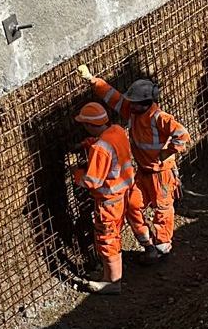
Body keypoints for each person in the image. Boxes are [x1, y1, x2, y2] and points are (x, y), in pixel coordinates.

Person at [78, 65, 190, 261]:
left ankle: (163, 246)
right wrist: (92, 80)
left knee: (162, 208)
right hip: (143, 173)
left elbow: (182, 135)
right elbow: (113, 97)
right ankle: (148, 244)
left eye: (134, 102)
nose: (129, 104)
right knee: (132, 205)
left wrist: (166, 152)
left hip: (161, 174)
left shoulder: (159, 118)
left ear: (146, 103)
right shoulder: (133, 111)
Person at [72, 102, 137, 294]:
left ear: (89, 125)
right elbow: (111, 149)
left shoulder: (100, 149)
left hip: (108, 201)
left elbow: (92, 181)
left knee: (106, 238)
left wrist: (76, 173)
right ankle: (110, 273)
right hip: (121, 195)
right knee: (114, 234)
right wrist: (89, 144)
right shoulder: (116, 131)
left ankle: (112, 282)